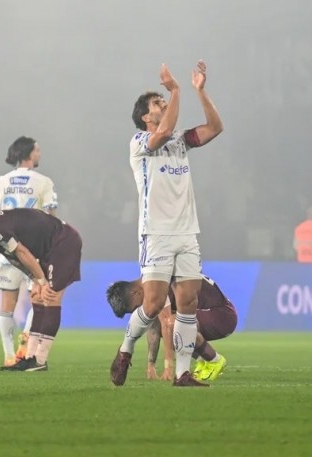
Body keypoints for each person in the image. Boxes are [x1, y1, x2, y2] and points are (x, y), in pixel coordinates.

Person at [110, 60, 224, 387]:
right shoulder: (139, 143)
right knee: (154, 303)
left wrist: (199, 92)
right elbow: (161, 133)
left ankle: (182, 373)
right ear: (146, 117)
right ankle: (126, 349)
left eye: (164, 100)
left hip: (187, 233)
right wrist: (175, 90)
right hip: (156, 233)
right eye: (157, 103)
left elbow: (215, 127)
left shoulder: (181, 142)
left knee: (187, 302)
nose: (163, 104)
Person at [0, 208, 82, 372]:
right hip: (47, 249)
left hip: (63, 242)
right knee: (37, 297)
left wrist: (41, 280)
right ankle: (29, 358)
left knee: (50, 296)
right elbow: (12, 256)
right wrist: (34, 279)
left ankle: (40, 360)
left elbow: (21, 251)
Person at [0, 136, 58, 369]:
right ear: (29, 153)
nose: (40, 153)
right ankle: (24, 351)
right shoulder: (43, 182)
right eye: (37, 149)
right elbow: (50, 219)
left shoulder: (1, 182)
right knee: (37, 303)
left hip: (8, 251)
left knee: (6, 306)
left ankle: (8, 357)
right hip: (34, 253)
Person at [106, 275, 236, 382]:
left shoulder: (156, 283)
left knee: (172, 324)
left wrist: (169, 367)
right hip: (209, 314)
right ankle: (203, 361)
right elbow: (154, 326)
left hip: (221, 315)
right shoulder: (151, 281)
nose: (139, 311)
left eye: (135, 307)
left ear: (135, 293)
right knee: (167, 326)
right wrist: (151, 364)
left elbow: (168, 324)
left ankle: (215, 361)